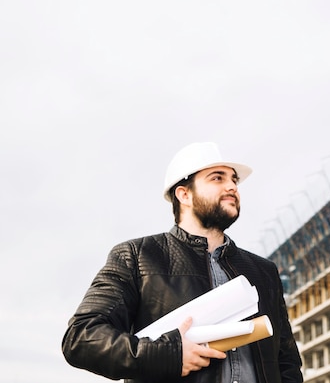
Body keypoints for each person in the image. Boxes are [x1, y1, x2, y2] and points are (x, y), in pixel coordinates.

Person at [62, 142, 303, 383]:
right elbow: (82, 337)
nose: (231, 186)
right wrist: (170, 354)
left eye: (234, 180)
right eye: (217, 178)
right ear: (184, 194)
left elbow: (287, 364)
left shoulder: (263, 271)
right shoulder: (136, 256)